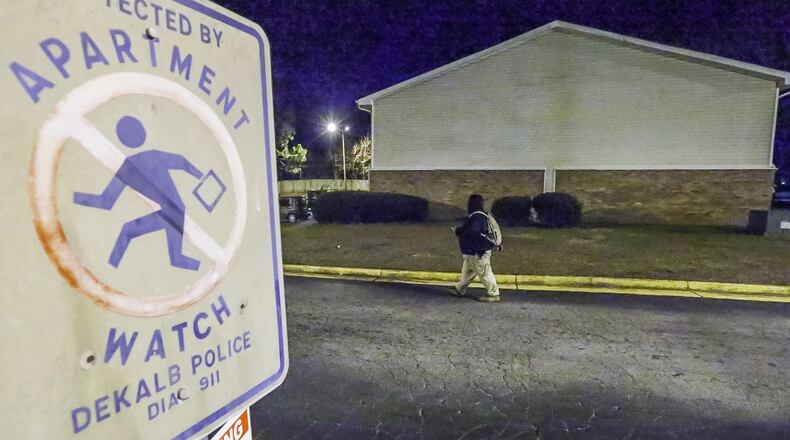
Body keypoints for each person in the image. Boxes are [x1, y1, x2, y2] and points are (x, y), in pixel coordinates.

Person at [449, 194, 500, 302]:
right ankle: (460, 289)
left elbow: (471, 232)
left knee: (484, 272)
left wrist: (458, 231)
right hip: (474, 251)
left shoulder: (477, 217)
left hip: (478, 251)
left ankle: (494, 294)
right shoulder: (483, 215)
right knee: (468, 271)